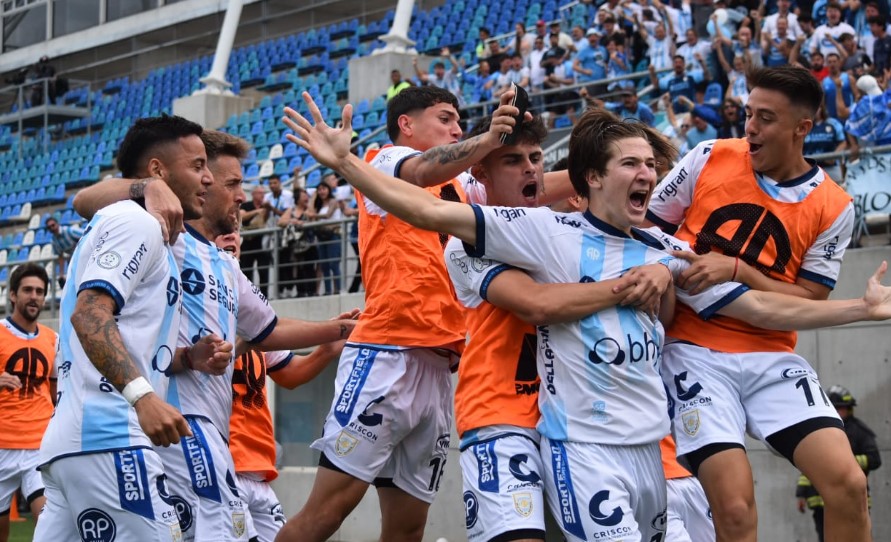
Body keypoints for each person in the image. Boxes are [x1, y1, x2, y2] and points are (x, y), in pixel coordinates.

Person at [284, 92, 891, 542]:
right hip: (531, 426)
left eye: (650, 167)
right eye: (631, 165)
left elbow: (757, 305)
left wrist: (860, 309)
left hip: (647, 442)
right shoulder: (520, 234)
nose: (530, 171)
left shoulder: (661, 249)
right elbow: (529, 295)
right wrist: (348, 165)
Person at [273, 86, 537, 542]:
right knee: (326, 514)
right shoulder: (385, 160)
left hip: (439, 365)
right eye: (445, 118)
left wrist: (595, 171)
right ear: (406, 124)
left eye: (459, 121)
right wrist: (488, 138)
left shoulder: (462, 185)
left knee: (408, 530)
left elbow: (528, 188)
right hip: (387, 354)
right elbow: (424, 168)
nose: (456, 128)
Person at [71, 128, 357, 542]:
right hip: (179, 424)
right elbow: (84, 200)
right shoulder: (164, 235)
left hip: (211, 433)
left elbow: (269, 328)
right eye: (232, 183)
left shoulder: (225, 263)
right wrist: (148, 187)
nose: (242, 196)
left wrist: (340, 329)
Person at [645, 65, 868, 542]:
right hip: (693, 353)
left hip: (771, 355)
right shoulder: (708, 156)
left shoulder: (835, 206)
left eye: (765, 119)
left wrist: (738, 270)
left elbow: (810, 298)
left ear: (802, 128)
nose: (750, 128)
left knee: (849, 484)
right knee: (734, 508)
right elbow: (643, 231)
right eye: (748, 114)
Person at [34, 115, 231, 542]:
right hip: (111, 436)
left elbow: (122, 333)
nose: (209, 178)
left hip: (77, 442)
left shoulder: (134, 224)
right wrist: (143, 397)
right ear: (158, 170)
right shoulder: (135, 222)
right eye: (197, 165)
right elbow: (89, 315)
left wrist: (185, 358)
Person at [216, 230, 349, 542]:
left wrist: (326, 350)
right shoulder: (196, 300)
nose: (231, 234)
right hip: (219, 465)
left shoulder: (251, 310)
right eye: (221, 229)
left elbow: (290, 374)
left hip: (258, 469)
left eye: (236, 228)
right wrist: (336, 329)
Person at [0, 264, 56, 542]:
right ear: (12, 295)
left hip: (39, 445)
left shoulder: (53, 340)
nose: (34, 296)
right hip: (2, 444)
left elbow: (56, 390)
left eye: (40, 291)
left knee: (50, 524)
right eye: (28, 290)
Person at [795, 386, 881, 542]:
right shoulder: (818, 432)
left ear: (849, 409)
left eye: (840, 408)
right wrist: (801, 494)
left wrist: (844, 462)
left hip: (851, 500)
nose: (837, 412)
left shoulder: (859, 431)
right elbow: (809, 467)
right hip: (820, 503)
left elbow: (874, 459)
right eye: (833, 408)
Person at [278, 186, 318, 298]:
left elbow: (312, 216)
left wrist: (312, 200)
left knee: (309, 268)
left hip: (309, 244)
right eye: (303, 195)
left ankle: (311, 291)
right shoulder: (291, 210)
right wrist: (292, 221)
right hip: (295, 245)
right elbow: (280, 222)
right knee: (297, 268)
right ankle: (300, 291)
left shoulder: (308, 209)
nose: (306, 197)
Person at [308, 175, 344, 295]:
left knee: (334, 264)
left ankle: (338, 289)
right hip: (322, 236)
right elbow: (310, 212)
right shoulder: (318, 205)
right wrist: (313, 197)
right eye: (319, 190)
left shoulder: (333, 201)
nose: (321, 192)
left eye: (324, 189)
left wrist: (314, 216)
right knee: (324, 265)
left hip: (333, 235)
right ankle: (328, 290)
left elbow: (328, 215)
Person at [263, 174, 294, 297]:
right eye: (270, 183)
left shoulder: (287, 195)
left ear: (280, 183)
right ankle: (280, 290)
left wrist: (271, 208)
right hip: (272, 232)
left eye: (274, 183)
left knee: (286, 260)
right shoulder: (267, 196)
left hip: (284, 233)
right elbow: (265, 217)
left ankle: (289, 288)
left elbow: (286, 214)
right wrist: (266, 209)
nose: (272, 186)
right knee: (276, 261)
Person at [240, 185, 271, 296]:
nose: (262, 195)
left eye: (263, 193)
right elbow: (242, 216)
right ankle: (248, 295)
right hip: (248, 242)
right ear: (253, 194)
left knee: (263, 270)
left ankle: (264, 296)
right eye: (259, 193)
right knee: (246, 271)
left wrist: (267, 209)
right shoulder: (247, 205)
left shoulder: (266, 206)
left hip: (262, 242)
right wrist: (257, 211)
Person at [44, 215, 84, 288]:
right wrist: (61, 274)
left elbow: (86, 236)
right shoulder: (54, 241)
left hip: (84, 255)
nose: (52, 228)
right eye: (49, 227)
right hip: (74, 259)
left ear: (57, 224)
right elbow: (60, 256)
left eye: (53, 225)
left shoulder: (69, 231)